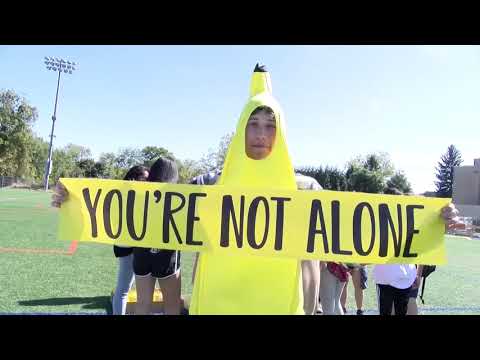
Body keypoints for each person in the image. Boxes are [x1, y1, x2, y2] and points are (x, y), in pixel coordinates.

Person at [189, 106, 322, 315]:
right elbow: (200, 249)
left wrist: (308, 310)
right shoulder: (209, 184)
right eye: (253, 124)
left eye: (270, 126)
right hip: (220, 305)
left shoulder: (305, 189)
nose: (261, 134)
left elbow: (310, 260)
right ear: (241, 128)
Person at [51, 165, 149, 315]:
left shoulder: (152, 198)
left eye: (148, 180)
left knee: (144, 293)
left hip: (147, 247)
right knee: (123, 289)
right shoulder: (118, 194)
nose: (145, 183)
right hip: (126, 247)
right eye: (143, 179)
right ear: (132, 178)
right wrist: (68, 193)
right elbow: (91, 197)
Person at [133, 157, 182, 315]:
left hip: (142, 252)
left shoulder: (137, 195)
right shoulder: (179, 198)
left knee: (143, 304)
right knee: (172, 305)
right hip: (167, 253)